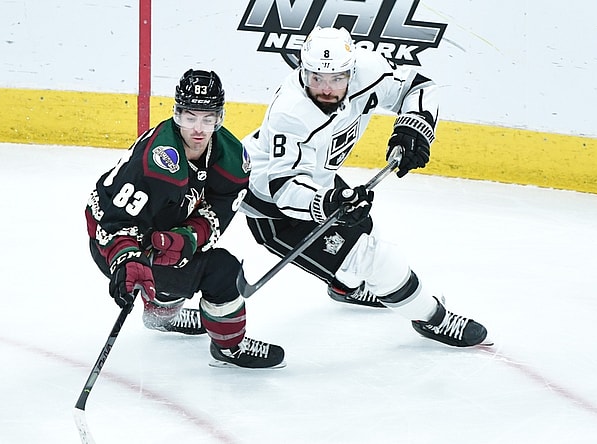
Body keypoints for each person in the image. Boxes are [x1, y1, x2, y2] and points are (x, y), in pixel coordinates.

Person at [240, 27, 488, 347]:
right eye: (317, 78)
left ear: (352, 70)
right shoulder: (290, 113)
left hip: (320, 180)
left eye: (337, 78)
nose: (326, 89)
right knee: (375, 260)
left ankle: (346, 287)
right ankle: (433, 318)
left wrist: (413, 127)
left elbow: (417, 86)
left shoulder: (368, 70)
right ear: (303, 70)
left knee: (366, 231)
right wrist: (329, 203)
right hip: (275, 209)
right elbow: (285, 189)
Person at [85, 69, 285, 368]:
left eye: (208, 118)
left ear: (220, 117)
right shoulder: (156, 162)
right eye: (190, 117)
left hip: (163, 229)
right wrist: (128, 259)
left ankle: (160, 312)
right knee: (223, 271)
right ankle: (230, 348)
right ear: (177, 114)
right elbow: (112, 223)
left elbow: (219, 209)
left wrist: (189, 237)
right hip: (115, 245)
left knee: (180, 250)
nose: (198, 129)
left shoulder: (231, 156)